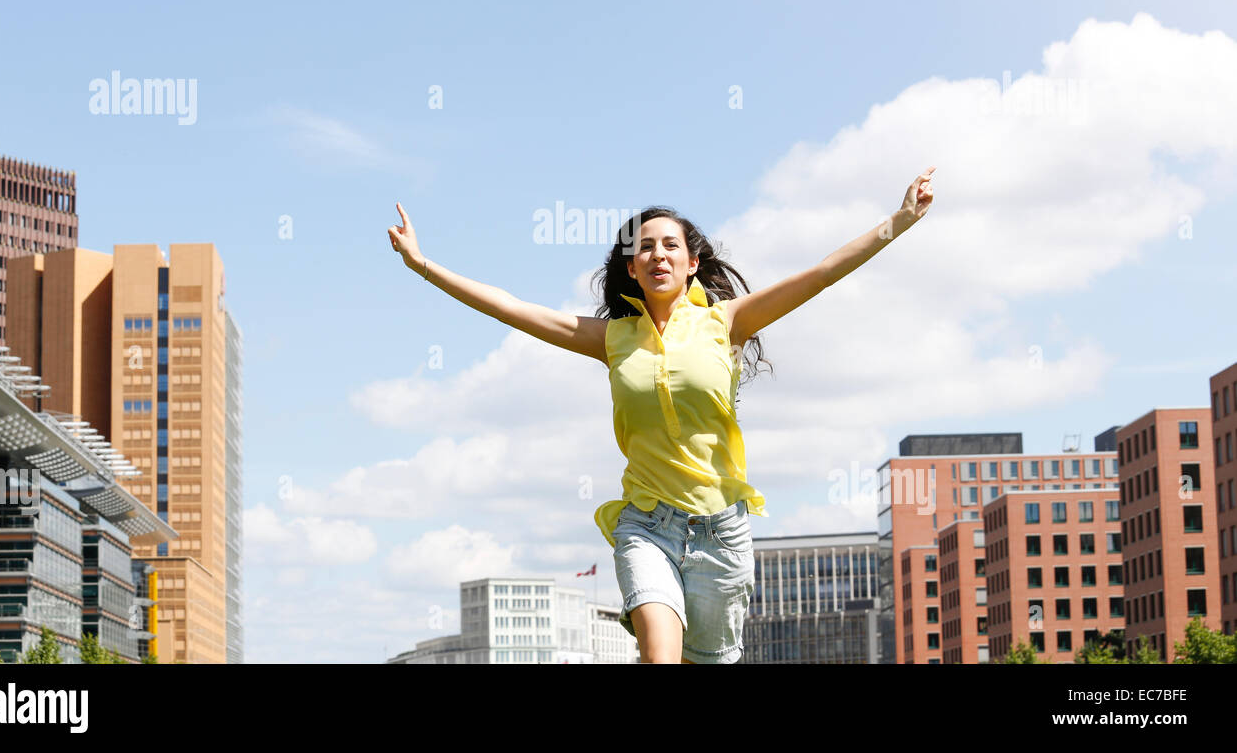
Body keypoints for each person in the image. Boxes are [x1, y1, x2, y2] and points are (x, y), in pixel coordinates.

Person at [387, 166, 935, 663]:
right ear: (632, 266)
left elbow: (821, 273)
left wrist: (901, 220)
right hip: (648, 526)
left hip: (722, 534)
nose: (659, 255)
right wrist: (423, 265)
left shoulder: (728, 323)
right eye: (645, 248)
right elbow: (512, 307)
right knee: (658, 654)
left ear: (692, 262)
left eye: (670, 245)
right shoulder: (612, 338)